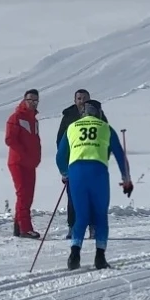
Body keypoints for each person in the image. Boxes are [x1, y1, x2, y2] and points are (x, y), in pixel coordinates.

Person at [56, 100, 133, 270]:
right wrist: (126, 179)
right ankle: (100, 256)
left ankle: (74, 255)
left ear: (83, 112)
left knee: (81, 215)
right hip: (98, 171)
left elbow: (60, 156)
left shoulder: (72, 127)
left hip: (76, 171)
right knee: (100, 215)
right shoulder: (106, 128)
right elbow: (120, 156)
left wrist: (65, 174)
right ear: (98, 112)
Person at [4, 89, 43, 239]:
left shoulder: (34, 120)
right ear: (24, 100)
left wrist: (36, 157)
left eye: (35, 101)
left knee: (28, 195)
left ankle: (18, 226)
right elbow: (10, 139)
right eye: (30, 100)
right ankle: (25, 228)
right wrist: (25, 154)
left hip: (30, 163)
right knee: (23, 195)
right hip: (18, 162)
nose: (32, 103)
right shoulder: (16, 117)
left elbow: (36, 141)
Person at [56, 89, 91, 235]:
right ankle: (73, 227)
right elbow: (60, 140)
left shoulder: (97, 114)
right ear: (75, 100)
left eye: (84, 98)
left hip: (91, 161)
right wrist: (64, 167)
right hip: (73, 161)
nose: (81, 101)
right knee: (73, 197)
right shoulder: (69, 116)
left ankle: (92, 227)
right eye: (79, 98)